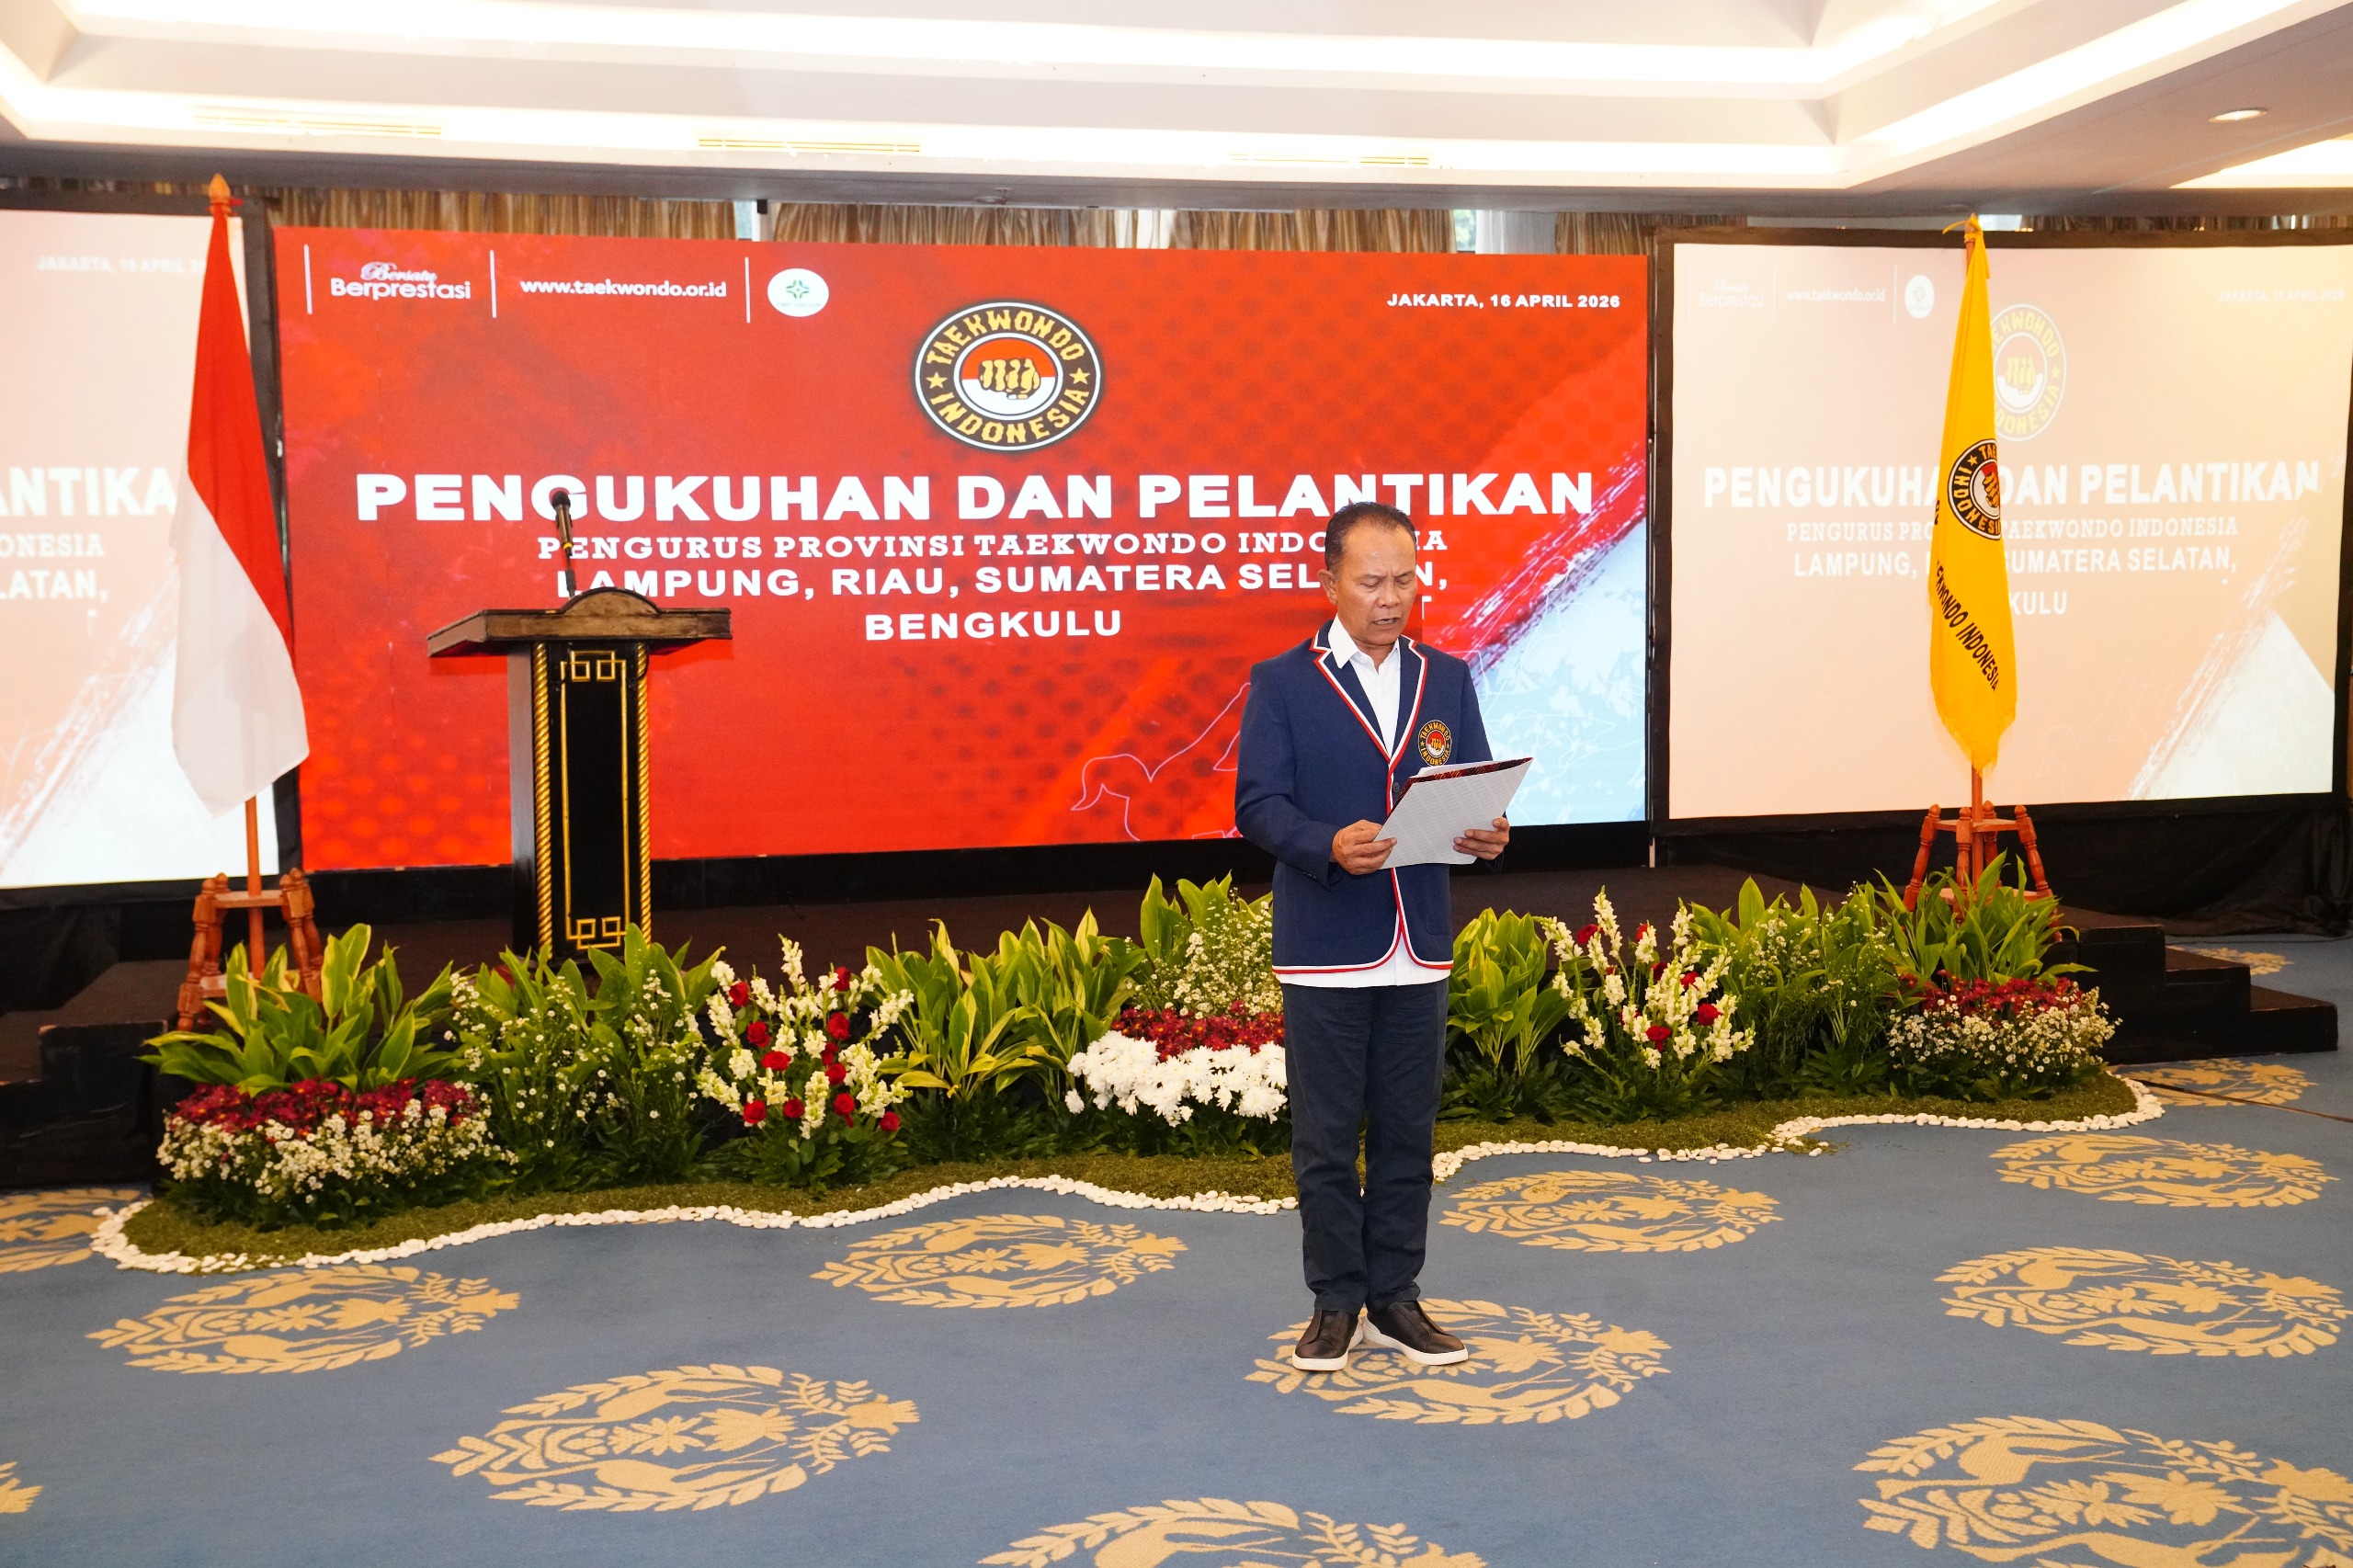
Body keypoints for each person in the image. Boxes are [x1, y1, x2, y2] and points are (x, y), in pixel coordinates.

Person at [1233, 500, 1508, 1373]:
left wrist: (1490, 832)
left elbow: (1474, 783)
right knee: (1324, 1141)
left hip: (1418, 942)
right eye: (1372, 581)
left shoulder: (1448, 677)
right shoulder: (1283, 681)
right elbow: (1258, 806)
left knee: (1406, 1137)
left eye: (1405, 580)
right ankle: (1334, 1303)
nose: (1391, 598)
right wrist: (1325, 844)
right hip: (1325, 946)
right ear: (1329, 584)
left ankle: (1395, 1298)